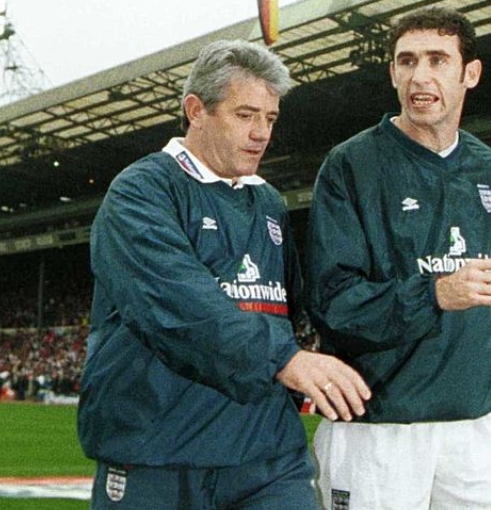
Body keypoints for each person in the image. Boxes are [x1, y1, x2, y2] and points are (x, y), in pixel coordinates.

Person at [77, 39, 371, 510]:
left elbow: (291, 307)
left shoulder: (268, 202)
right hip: (159, 454)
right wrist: (286, 360)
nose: (261, 133)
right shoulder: (141, 192)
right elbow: (179, 304)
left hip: (267, 456)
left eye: (270, 119)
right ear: (196, 110)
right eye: (245, 115)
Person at [305, 7, 491, 509]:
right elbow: (332, 303)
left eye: (437, 60)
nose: (420, 76)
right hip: (381, 425)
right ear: (392, 73)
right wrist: (437, 292)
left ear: (469, 73)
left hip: (479, 420)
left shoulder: (488, 168)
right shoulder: (350, 164)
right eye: (406, 61)